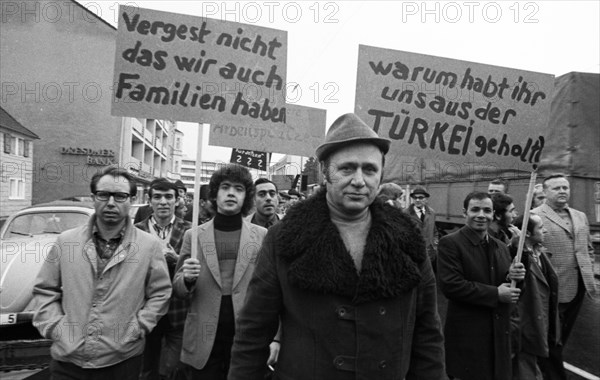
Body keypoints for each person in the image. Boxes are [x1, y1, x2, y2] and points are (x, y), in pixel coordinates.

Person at [229, 113, 445, 379]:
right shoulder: (282, 238)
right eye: (347, 168)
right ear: (324, 171)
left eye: (369, 169)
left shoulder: (408, 238)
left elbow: (428, 334)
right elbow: (252, 334)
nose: (358, 180)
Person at [32, 166, 172, 380]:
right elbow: (45, 290)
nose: (111, 203)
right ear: (93, 197)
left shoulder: (148, 246)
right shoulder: (66, 242)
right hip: (68, 361)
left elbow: (161, 293)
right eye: (103, 194)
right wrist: (56, 328)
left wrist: (138, 328)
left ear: (132, 200)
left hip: (122, 361)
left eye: (120, 196)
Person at [172, 164, 271, 380]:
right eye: (225, 187)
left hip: (246, 333)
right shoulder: (194, 235)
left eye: (238, 188)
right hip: (204, 335)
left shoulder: (262, 235)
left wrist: (277, 338)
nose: (231, 193)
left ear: (246, 197)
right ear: (215, 194)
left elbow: (272, 289)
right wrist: (186, 280)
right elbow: (178, 290)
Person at [437, 191, 525, 380]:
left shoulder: (500, 247)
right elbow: (451, 285)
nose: (481, 215)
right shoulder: (450, 243)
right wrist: (496, 294)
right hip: (469, 337)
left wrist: (515, 277)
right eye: (475, 209)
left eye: (487, 210)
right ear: (464, 213)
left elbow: (509, 288)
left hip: (499, 335)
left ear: (493, 214)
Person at [532, 174, 597, 380]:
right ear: (544, 191)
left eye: (565, 188)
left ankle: (542, 370)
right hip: (551, 290)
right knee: (552, 338)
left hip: (578, 287)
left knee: (562, 336)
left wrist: (587, 268)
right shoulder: (534, 216)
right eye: (556, 188)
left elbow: (587, 247)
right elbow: (530, 252)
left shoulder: (580, 216)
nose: (562, 191)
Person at [135, 178, 192, 380]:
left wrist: (177, 260)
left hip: (178, 312)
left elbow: (197, 269)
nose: (163, 202)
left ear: (177, 201)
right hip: (144, 311)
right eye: (157, 197)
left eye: (169, 197)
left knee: (173, 370)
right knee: (145, 369)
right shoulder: (136, 231)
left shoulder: (191, 231)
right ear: (149, 201)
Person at [511, 214, 560, 380]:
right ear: (528, 234)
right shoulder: (519, 258)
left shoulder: (540, 253)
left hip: (542, 322)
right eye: (540, 227)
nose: (545, 230)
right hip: (527, 326)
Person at [404, 186, 439, 270]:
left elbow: (435, 231)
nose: (417, 200)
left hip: (430, 253)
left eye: (420, 197)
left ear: (426, 199)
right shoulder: (405, 214)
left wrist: (434, 244)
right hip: (413, 254)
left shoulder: (432, 213)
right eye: (415, 198)